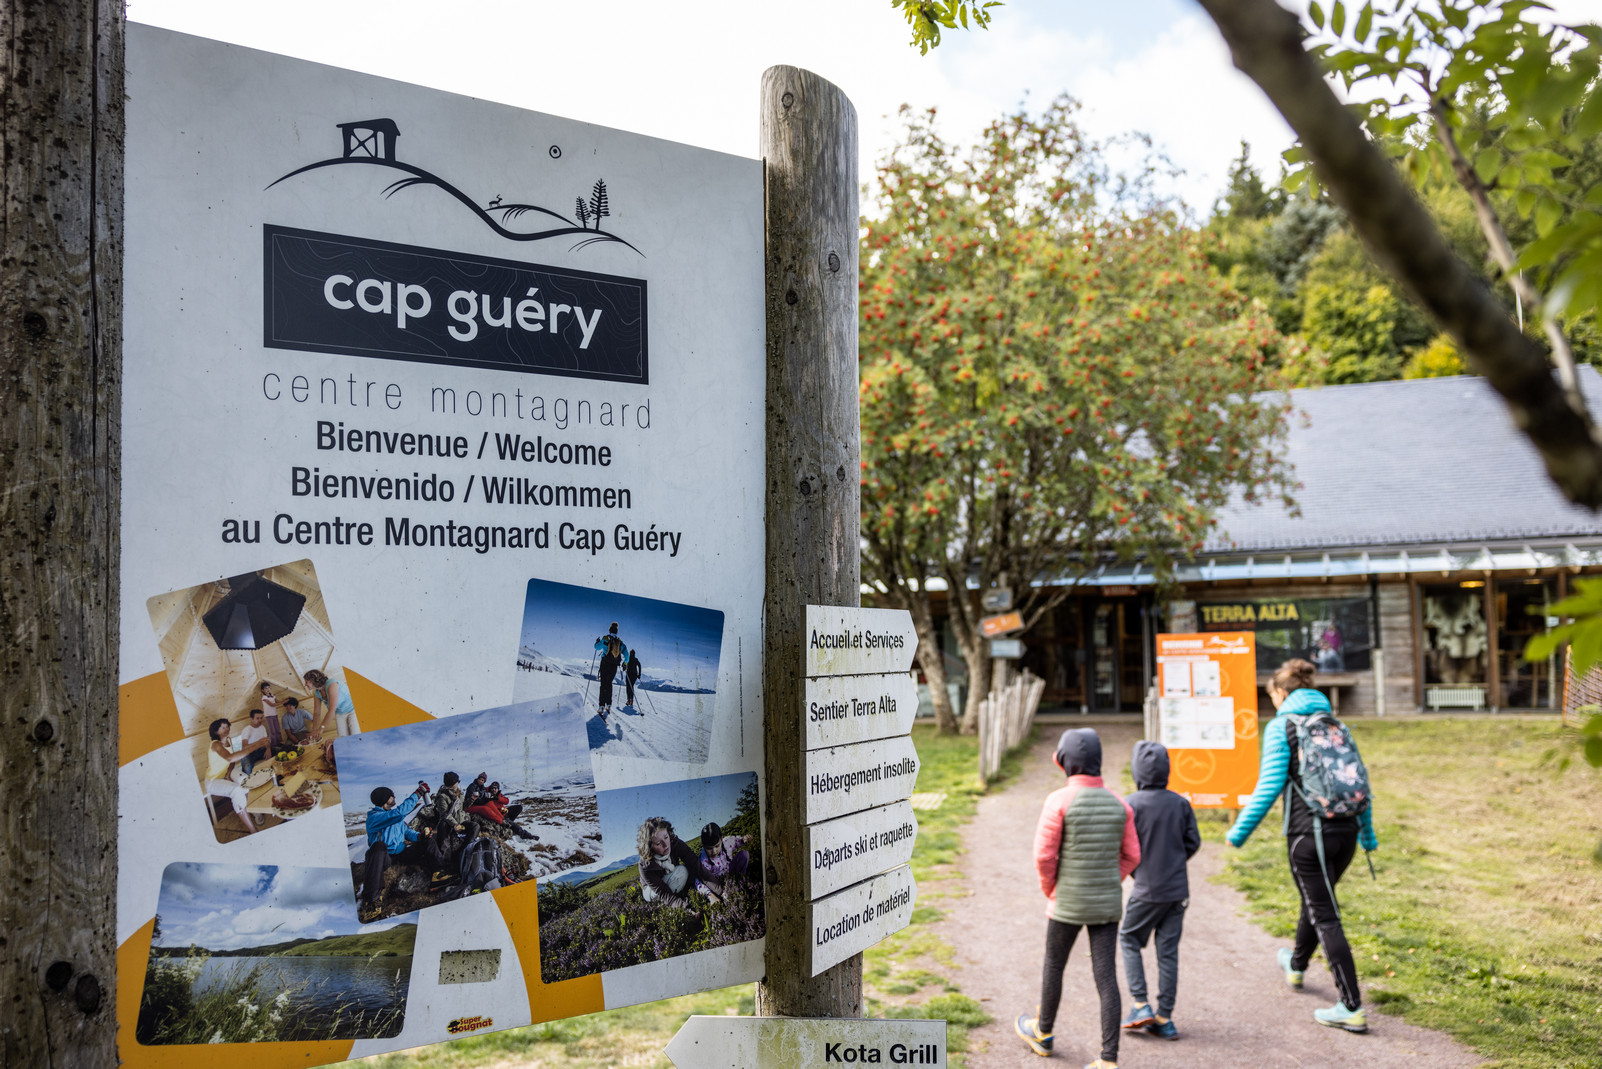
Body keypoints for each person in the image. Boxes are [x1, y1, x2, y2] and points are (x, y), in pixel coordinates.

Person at [1227, 658, 1378, 1034]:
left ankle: (1351, 1005)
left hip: (1308, 836)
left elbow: (1269, 786)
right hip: (1344, 837)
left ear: (1280, 693)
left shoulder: (1283, 727)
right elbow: (1359, 782)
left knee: (1324, 913)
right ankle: (1296, 965)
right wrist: (1367, 834)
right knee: (1314, 902)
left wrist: (1238, 833)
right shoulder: (1336, 725)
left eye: (1272, 697)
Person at [1015, 728, 1139, 1068]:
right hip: (1106, 904)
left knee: (1054, 966)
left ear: (1064, 762)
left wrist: (1051, 888)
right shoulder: (1120, 804)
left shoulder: (1058, 801)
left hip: (1065, 902)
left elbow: (1043, 856)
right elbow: (1132, 855)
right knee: (1106, 976)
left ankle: (1043, 1034)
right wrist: (1109, 880)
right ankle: (1108, 1059)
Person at [1118, 740, 1201, 1041]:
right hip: (1177, 891)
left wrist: (1137, 871)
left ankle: (1141, 1005)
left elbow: (1124, 846)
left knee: (1129, 938)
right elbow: (1193, 842)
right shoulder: (1180, 803)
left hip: (1147, 890)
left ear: (1136, 770)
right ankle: (1165, 1018)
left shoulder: (1130, 804)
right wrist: (1176, 861)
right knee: (1168, 953)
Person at [362, 783, 435, 909]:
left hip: (401, 854)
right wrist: (418, 793)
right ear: (385, 799)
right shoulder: (375, 818)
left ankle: (439, 873)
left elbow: (406, 832)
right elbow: (399, 813)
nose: (394, 797)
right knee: (379, 846)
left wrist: (420, 836)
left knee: (427, 840)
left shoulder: (394, 817)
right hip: (385, 858)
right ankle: (372, 900)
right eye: (391, 796)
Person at [637, 816, 707, 907]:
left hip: (671, 877)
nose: (665, 845)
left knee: (686, 871)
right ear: (649, 847)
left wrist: (720, 892)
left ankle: (674, 901)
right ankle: (669, 904)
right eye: (658, 843)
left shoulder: (675, 843)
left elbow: (696, 865)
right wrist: (686, 908)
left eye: (666, 837)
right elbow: (663, 892)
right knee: (682, 872)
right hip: (652, 890)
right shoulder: (645, 865)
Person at [204, 718, 259, 834]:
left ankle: (255, 812)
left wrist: (228, 774)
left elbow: (232, 760)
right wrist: (256, 745)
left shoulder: (228, 739)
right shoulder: (215, 744)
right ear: (215, 732)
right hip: (212, 781)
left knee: (245, 780)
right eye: (223, 727)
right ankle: (253, 830)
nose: (226, 729)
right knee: (236, 790)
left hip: (224, 773)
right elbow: (230, 757)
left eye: (227, 727)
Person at [466, 781, 537, 839]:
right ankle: (526, 835)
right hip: (499, 814)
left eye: (495, 788)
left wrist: (498, 798)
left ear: (498, 789)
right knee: (512, 824)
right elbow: (482, 790)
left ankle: (510, 822)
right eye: (492, 788)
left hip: (503, 811)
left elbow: (506, 801)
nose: (493, 789)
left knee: (518, 808)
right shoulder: (486, 792)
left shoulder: (499, 795)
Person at [697, 821, 749, 899]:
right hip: (718, 884)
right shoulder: (703, 860)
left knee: (744, 854)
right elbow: (699, 880)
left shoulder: (727, 842)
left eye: (717, 846)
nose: (714, 851)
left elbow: (736, 841)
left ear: (721, 838)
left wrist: (743, 840)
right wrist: (710, 895)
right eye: (709, 848)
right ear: (703, 846)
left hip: (730, 871)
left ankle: (741, 882)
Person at [304, 668, 358, 738]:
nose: (305, 684)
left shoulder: (331, 684)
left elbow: (332, 709)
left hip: (353, 710)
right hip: (340, 713)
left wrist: (321, 729)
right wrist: (314, 730)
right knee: (343, 738)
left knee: (355, 735)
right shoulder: (317, 693)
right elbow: (316, 713)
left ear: (312, 680)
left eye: (306, 681)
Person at [594, 623, 628, 717]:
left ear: (610, 630)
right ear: (616, 631)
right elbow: (627, 655)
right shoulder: (620, 642)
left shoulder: (605, 638)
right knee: (609, 684)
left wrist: (597, 642)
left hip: (605, 664)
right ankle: (608, 705)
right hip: (614, 666)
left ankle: (601, 706)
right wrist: (625, 664)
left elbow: (597, 647)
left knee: (603, 684)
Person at [237, 708, 271, 776]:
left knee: (279, 750)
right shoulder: (247, 730)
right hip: (249, 753)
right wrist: (258, 742)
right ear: (252, 719)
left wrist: (268, 749)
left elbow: (267, 741)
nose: (260, 720)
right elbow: (244, 747)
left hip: (261, 750)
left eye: (261, 718)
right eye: (257, 718)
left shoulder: (262, 727)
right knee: (247, 768)